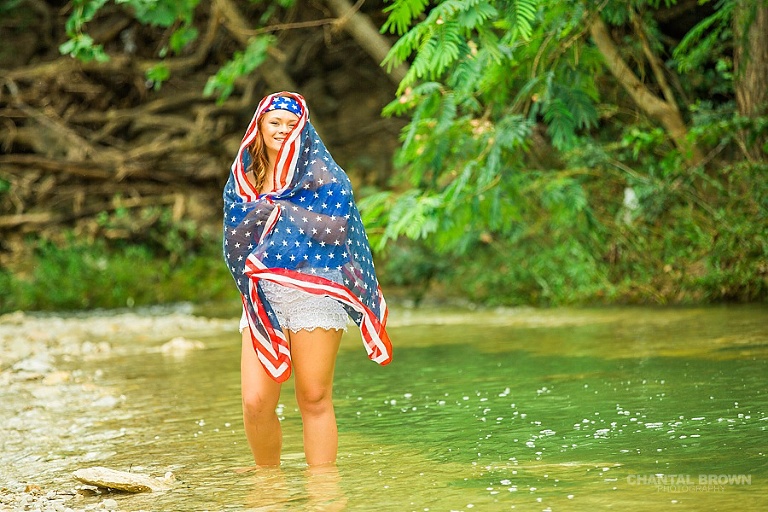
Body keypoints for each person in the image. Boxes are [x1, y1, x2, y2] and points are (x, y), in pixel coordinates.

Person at [222, 92, 393, 467]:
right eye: (275, 123)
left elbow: (337, 230)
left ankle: (323, 491)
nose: (282, 130)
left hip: (315, 295)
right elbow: (235, 238)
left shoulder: (326, 177)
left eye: (291, 124)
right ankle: (268, 485)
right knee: (255, 402)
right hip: (263, 297)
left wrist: (284, 211)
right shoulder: (244, 179)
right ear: (259, 127)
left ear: (303, 129)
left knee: (313, 397)